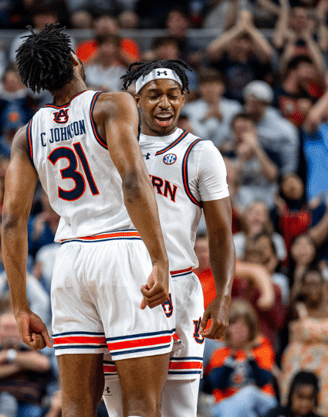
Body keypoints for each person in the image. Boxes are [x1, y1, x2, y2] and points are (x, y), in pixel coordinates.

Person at [3, 24, 173, 417]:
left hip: (70, 260)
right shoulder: (112, 104)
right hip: (121, 251)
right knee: (141, 404)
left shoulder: (26, 135)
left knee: (77, 405)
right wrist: (160, 260)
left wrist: (20, 307)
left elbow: (12, 223)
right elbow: (133, 180)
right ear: (78, 60)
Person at [100, 59, 235, 417]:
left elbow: (221, 235)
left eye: (173, 95)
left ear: (184, 98)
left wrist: (222, 295)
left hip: (178, 288)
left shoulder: (201, 153)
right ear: (136, 100)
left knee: (178, 412)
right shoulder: (111, 149)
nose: (165, 103)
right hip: (123, 288)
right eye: (154, 95)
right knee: (123, 411)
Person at [280, 268, 328, 417]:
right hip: (301, 365)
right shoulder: (297, 309)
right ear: (302, 287)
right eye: (308, 284)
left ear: (324, 285)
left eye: (317, 283)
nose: (313, 288)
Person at [207, 300, 278, 417]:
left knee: (248, 393)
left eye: (244, 325)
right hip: (227, 403)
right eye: (235, 324)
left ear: (251, 329)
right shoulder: (220, 352)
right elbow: (216, 383)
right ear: (227, 327)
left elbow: (264, 380)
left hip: (261, 400)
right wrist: (230, 359)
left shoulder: (262, 348)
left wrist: (250, 357)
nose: (239, 330)